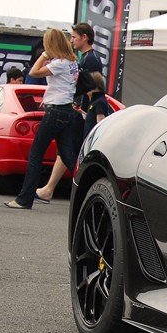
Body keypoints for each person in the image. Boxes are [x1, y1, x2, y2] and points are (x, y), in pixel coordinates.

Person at [4, 28, 79, 210]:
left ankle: (24, 199)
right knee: (69, 158)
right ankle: (88, 189)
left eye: (46, 43)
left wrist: (45, 54)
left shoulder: (59, 63)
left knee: (36, 155)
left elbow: (33, 73)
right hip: (66, 110)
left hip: (55, 112)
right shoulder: (72, 62)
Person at [36, 21, 106, 203]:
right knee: (66, 150)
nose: (71, 40)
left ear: (85, 37)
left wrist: (94, 113)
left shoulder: (91, 59)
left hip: (85, 113)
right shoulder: (84, 58)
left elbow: (97, 89)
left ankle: (81, 190)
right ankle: (48, 189)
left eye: (74, 37)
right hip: (77, 110)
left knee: (73, 153)